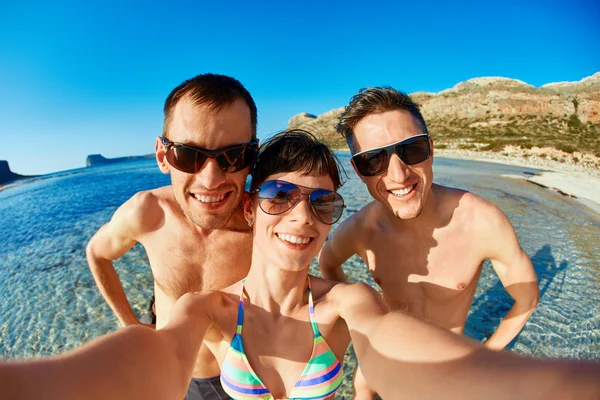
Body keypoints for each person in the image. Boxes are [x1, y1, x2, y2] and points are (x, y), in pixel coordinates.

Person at [2, 130, 599, 400]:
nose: (302, 216)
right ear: (250, 204)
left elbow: (407, 356)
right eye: (280, 196)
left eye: (322, 202)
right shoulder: (208, 308)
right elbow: (149, 367)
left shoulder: (347, 304)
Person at [318, 87, 541, 399]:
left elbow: (526, 300)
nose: (398, 174)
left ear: (431, 148)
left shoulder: (481, 222)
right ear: (358, 170)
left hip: (448, 362)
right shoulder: (359, 230)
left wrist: (484, 355)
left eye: (411, 150)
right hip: (386, 352)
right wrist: (361, 319)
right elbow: (327, 262)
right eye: (373, 160)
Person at [85, 73, 258, 398]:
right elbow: (97, 253)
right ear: (163, 156)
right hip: (168, 376)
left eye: (234, 155)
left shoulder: (266, 228)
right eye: (189, 155)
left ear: (252, 158)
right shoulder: (147, 213)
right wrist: (131, 325)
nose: (211, 180)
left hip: (242, 383)